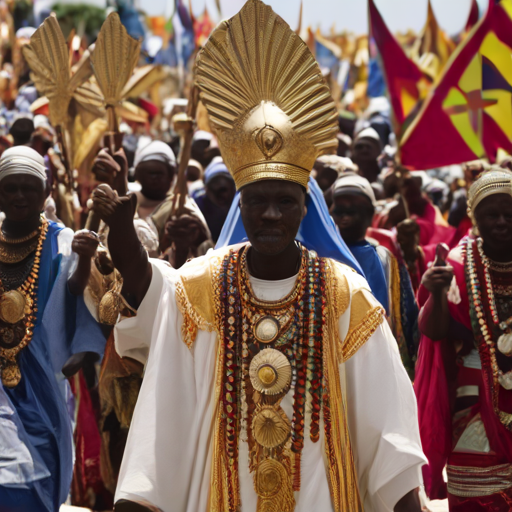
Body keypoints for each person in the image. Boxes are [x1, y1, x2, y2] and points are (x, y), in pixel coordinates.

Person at [93, 3, 425, 511]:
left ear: (305, 209)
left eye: (285, 202)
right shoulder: (203, 286)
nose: (270, 214)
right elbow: (152, 292)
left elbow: (388, 427)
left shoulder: (344, 295)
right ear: (239, 205)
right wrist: (123, 238)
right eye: (257, 201)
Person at [0, 146, 105, 512]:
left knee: (37, 475)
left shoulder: (63, 240)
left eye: (28, 187)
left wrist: (86, 258)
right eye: (10, 187)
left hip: (41, 380)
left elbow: (75, 292)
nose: (18, 196)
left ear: (46, 191)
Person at [416, 167, 512, 511]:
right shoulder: (458, 264)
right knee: (477, 494)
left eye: (509, 214)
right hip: (473, 391)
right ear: (473, 217)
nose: (501, 222)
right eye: (491, 215)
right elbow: (434, 332)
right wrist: (437, 293)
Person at [331, 173, 418, 377]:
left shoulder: (385, 257)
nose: (345, 217)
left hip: (377, 357)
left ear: (370, 214)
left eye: (353, 210)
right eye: (340, 210)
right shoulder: (319, 256)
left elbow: (407, 313)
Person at [191, 158, 236, 242]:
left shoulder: (240, 205)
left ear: (233, 189)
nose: (221, 195)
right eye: (213, 189)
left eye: (223, 189)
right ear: (206, 189)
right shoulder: (198, 204)